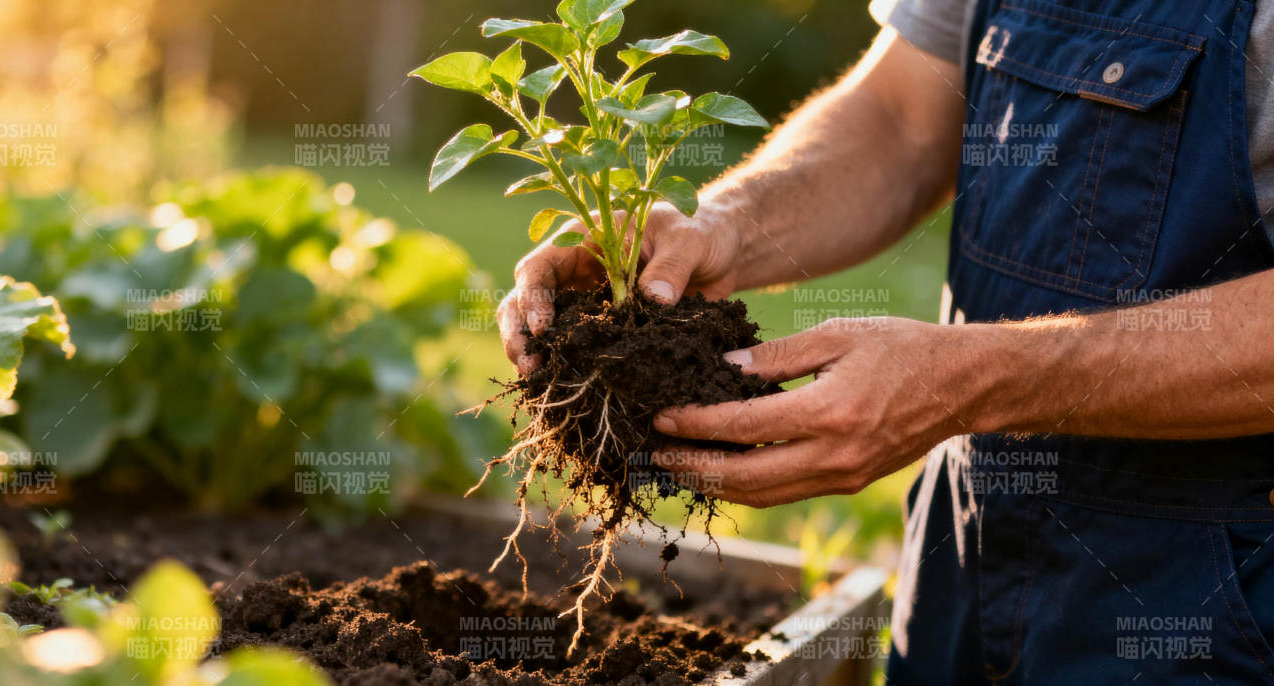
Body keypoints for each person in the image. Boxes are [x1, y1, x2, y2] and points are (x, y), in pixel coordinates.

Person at [496, 0, 1274, 681]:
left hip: (1214, 594)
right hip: (964, 554)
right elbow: (902, 115)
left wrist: (968, 382)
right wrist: (721, 225)